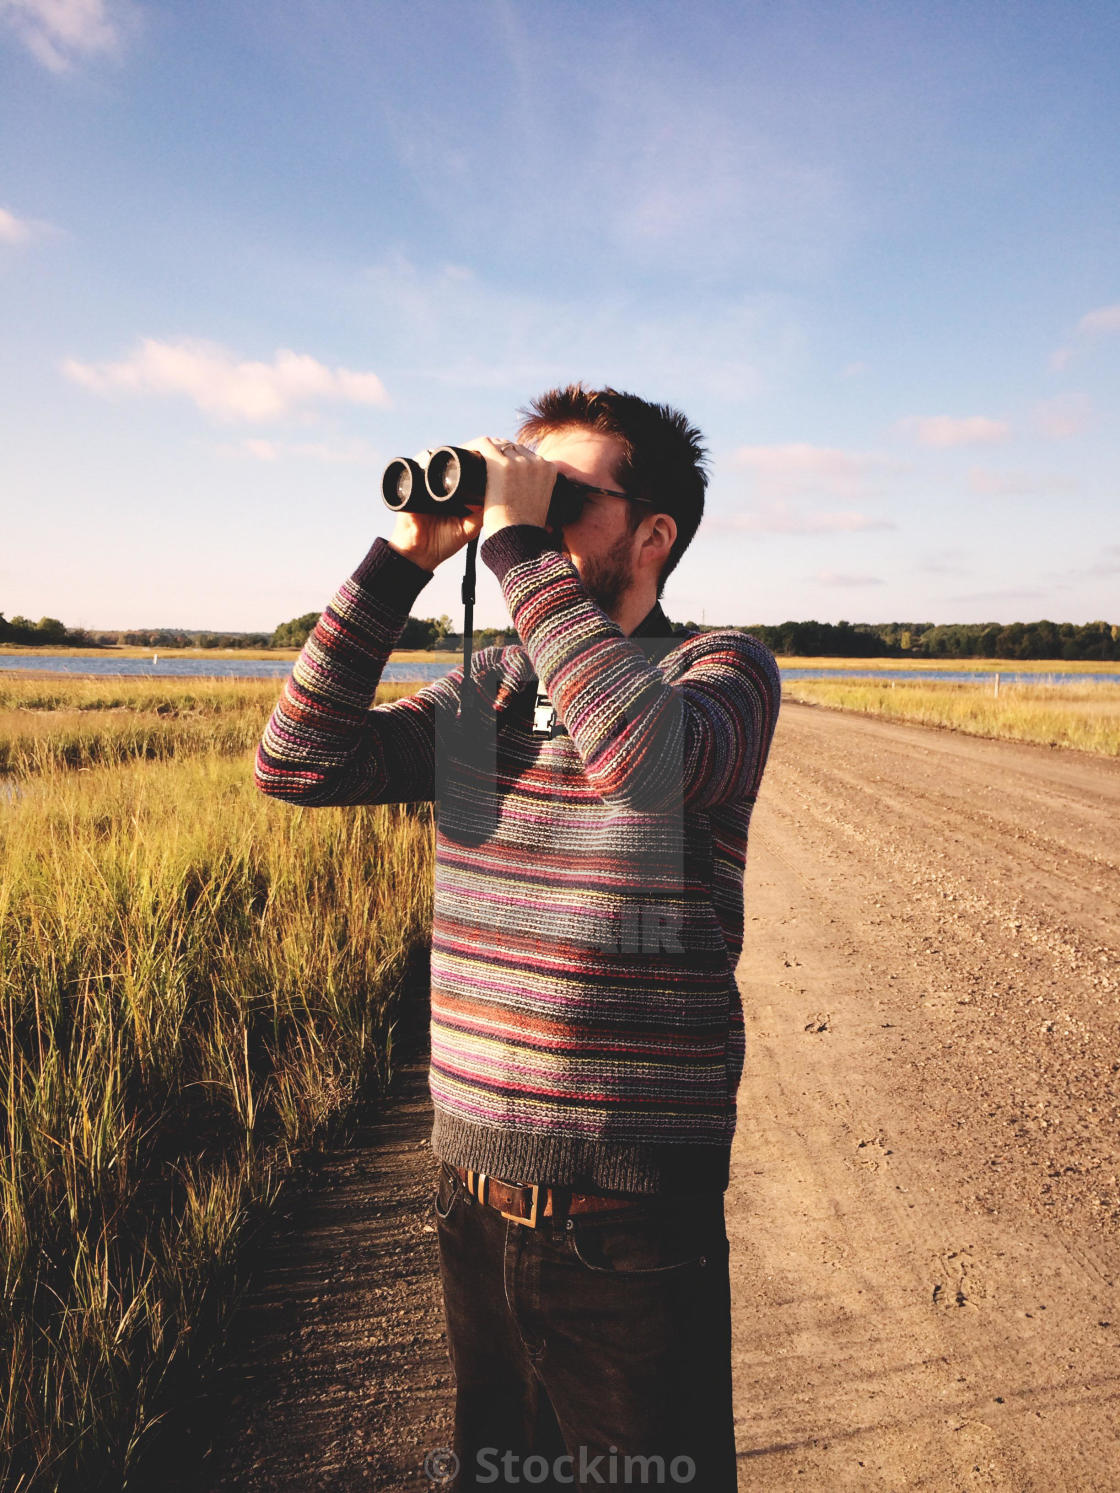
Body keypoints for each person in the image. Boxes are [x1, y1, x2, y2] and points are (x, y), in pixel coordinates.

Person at [255, 384, 781, 1491]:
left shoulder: (717, 671)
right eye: (521, 488)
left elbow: (638, 764)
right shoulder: (487, 693)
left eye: (565, 495)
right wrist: (403, 555)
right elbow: (298, 760)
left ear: (654, 534)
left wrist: (516, 545)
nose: (527, 515)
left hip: (631, 1224)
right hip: (472, 1199)